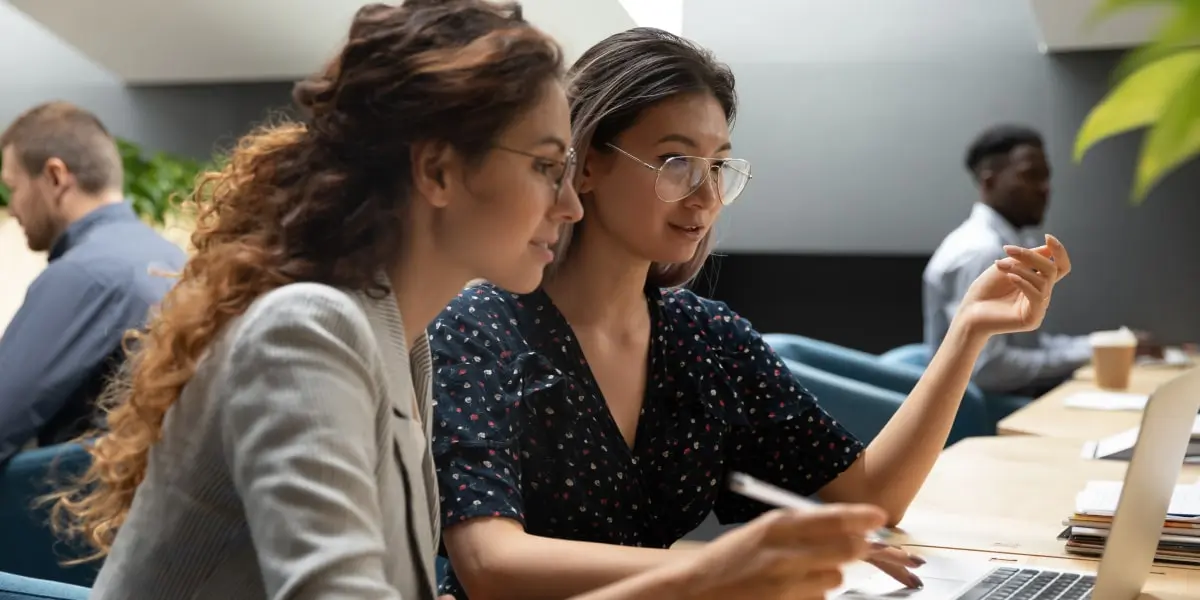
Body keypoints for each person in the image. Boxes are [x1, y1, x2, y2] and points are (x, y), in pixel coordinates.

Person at [44, 3, 892, 599]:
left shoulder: (400, 339)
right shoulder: (310, 332)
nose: (569, 205)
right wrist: (702, 578)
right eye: (546, 167)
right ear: (440, 171)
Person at [428, 29, 1076, 600]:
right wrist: (727, 567)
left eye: (718, 166)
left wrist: (968, 331)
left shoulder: (706, 337)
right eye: (677, 163)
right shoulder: (480, 325)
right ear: (588, 162)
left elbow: (870, 498)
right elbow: (491, 567)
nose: (706, 196)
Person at [0, 102, 186, 464]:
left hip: (83, 495)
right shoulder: (172, 259)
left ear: (55, 177)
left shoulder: (86, 274)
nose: (13, 208)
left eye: (14, 187)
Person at [923, 124, 1156, 397]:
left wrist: (1107, 344)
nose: (1045, 188)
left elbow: (1026, 345)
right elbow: (988, 368)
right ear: (989, 182)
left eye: (1046, 177)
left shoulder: (1010, 243)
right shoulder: (981, 253)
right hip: (990, 408)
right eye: (1031, 176)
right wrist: (1092, 353)